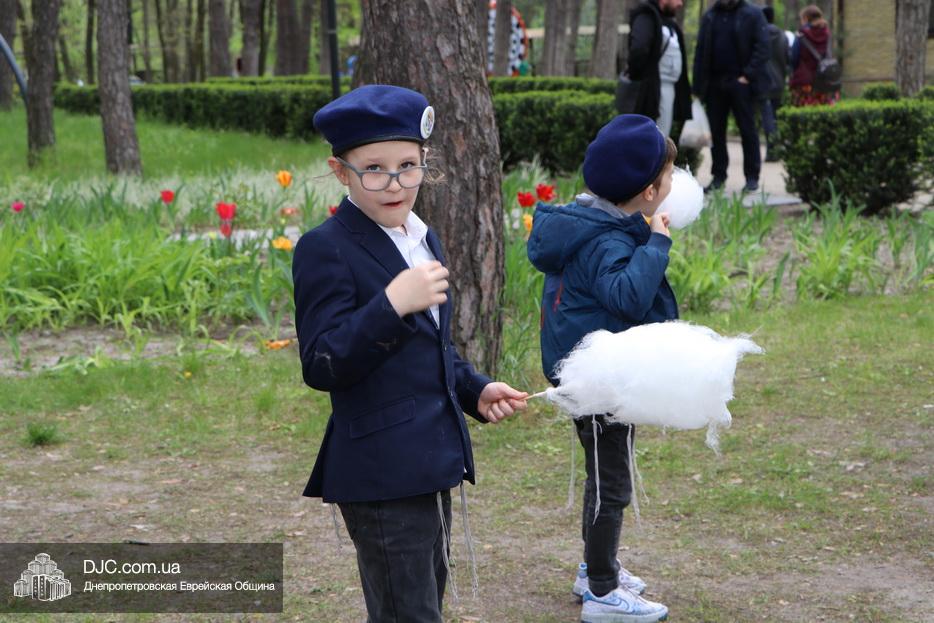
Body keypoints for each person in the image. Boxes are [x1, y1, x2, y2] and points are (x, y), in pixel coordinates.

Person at [292, 84, 528, 622]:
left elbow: (432, 346)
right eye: (374, 169)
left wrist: (474, 388)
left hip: (428, 462)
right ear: (340, 171)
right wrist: (390, 305)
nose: (395, 183)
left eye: (408, 166)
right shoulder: (325, 247)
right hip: (381, 473)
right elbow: (322, 363)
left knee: (421, 603)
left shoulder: (421, 238)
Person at [527, 114, 677, 623]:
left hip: (594, 373)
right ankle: (603, 593)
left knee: (604, 477)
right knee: (612, 485)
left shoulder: (589, 223)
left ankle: (595, 568)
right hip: (598, 383)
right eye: (669, 178)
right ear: (649, 191)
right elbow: (627, 297)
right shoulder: (608, 239)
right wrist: (656, 243)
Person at [692, 0, 771, 193]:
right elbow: (701, 50)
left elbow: (763, 47)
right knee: (716, 132)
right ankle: (719, 176)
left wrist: (748, 75)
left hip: (741, 83)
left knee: (748, 130)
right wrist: (698, 86)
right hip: (714, 84)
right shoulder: (710, 16)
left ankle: (751, 177)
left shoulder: (753, 14)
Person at [626, 0, 692, 137]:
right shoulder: (646, 17)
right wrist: (642, 79)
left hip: (666, 88)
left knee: (661, 136)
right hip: (652, 90)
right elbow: (638, 50)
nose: (680, 4)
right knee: (654, 138)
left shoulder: (668, 23)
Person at [789, 5, 840, 106]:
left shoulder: (801, 35)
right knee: (825, 113)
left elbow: (793, 59)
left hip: (804, 84)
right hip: (826, 82)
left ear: (806, 18)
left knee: (804, 114)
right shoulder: (828, 34)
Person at [761, 6, 789, 162]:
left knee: (767, 117)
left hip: (764, 82)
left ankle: (772, 150)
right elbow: (789, 58)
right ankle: (777, 147)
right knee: (775, 117)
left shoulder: (759, 34)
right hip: (779, 82)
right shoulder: (783, 36)